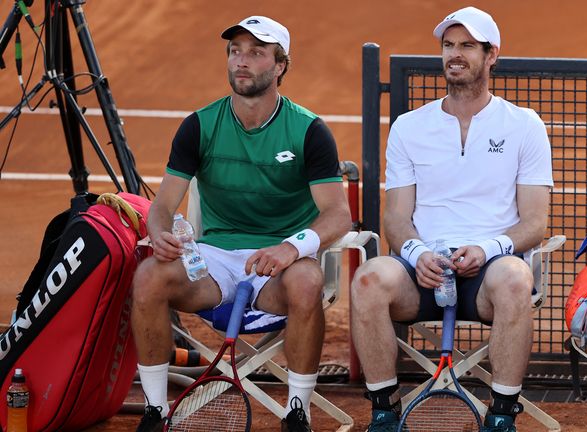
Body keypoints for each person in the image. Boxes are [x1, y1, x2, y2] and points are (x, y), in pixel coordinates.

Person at [131, 15, 351, 432]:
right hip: (213, 261)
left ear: (280, 65)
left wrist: (291, 248)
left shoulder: (309, 131)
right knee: (148, 277)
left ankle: (297, 413)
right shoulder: (199, 125)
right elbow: (162, 206)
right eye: (235, 51)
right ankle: (156, 410)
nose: (241, 61)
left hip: (278, 266)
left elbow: (339, 214)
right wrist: (158, 233)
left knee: (307, 281)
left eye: (256, 52)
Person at [350, 6, 553, 432]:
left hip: (490, 274)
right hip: (420, 271)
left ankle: (501, 417)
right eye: (448, 45)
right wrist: (417, 251)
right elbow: (396, 218)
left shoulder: (525, 125)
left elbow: (535, 223)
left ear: (491, 54)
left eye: (466, 46)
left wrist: (486, 248)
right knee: (368, 278)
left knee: (517, 278)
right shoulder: (409, 127)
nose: (454, 55)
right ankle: (385, 412)